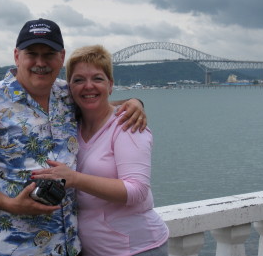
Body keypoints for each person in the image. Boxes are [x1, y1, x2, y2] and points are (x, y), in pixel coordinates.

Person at [0, 19, 147, 256]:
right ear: (16, 56)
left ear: (61, 57)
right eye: (32, 54)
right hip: (6, 249)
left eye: (49, 54)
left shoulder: (66, 95)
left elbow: (99, 104)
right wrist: (11, 204)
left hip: (67, 247)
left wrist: (134, 103)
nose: (40, 63)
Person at [32, 45, 169, 256]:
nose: (88, 86)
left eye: (97, 78)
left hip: (136, 249)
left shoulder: (127, 126)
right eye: (78, 80)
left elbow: (137, 191)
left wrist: (74, 179)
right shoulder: (70, 125)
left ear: (111, 84)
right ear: (69, 87)